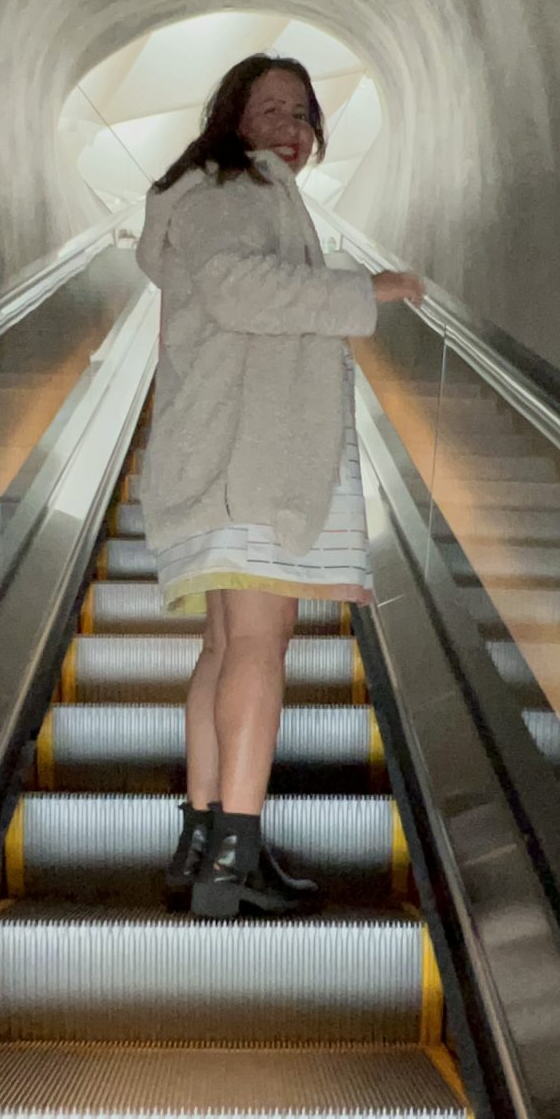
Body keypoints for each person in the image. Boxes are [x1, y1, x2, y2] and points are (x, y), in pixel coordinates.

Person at [134, 54, 423, 917]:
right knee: (256, 649)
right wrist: (364, 289)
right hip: (248, 461)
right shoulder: (233, 193)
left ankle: (206, 840)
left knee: (225, 651)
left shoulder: (227, 197)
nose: (291, 127)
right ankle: (236, 857)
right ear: (233, 118)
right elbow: (238, 290)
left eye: (303, 113)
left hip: (226, 455)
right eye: (271, 110)